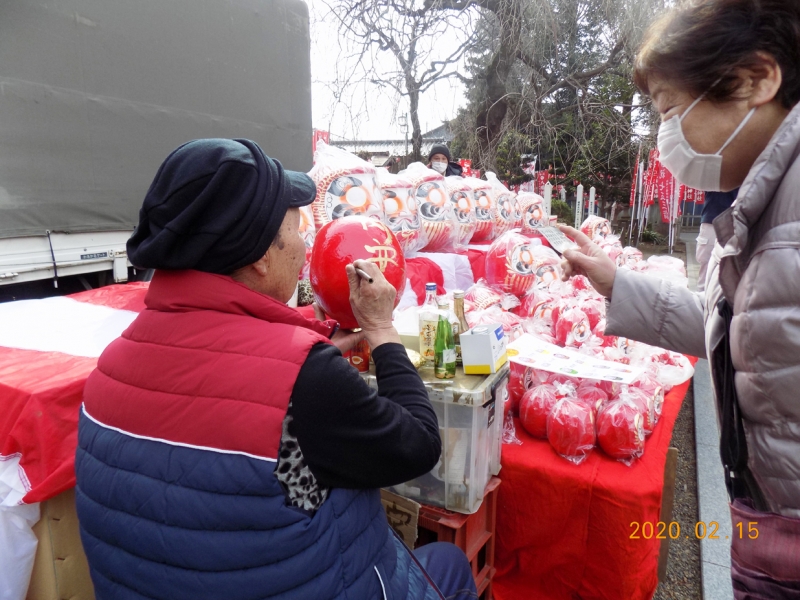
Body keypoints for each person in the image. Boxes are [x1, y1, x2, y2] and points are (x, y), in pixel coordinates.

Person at [74, 138, 478, 600]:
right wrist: (382, 329)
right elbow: (419, 445)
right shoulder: (302, 381)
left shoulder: (106, 369)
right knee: (446, 563)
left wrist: (309, 347)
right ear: (260, 255)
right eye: (297, 230)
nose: (305, 245)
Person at [559, 1, 800, 597]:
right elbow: (738, 331)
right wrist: (614, 283)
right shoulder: (749, 210)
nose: (666, 134)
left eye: (671, 110)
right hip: (769, 531)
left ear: (757, 80)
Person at [696, 189, 737, 291]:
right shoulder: (714, 175)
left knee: (730, 265)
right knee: (706, 262)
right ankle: (703, 299)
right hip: (712, 220)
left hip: (735, 223)